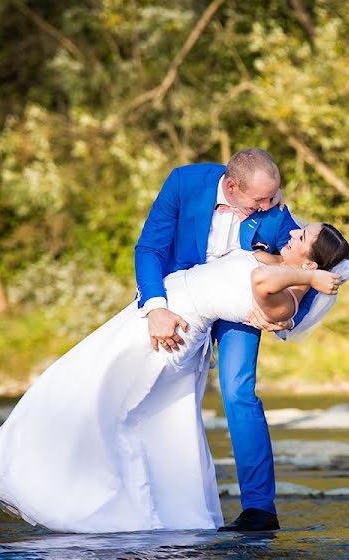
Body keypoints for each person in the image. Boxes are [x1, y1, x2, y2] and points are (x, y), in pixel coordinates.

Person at [0, 223, 349, 534]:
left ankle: (79, 500)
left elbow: (259, 283)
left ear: (310, 267)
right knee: (77, 387)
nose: (291, 232)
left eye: (301, 237)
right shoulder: (275, 255)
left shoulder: (285, 298)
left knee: (103, 405)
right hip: (153, 314)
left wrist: (311, 280)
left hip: (171, 334)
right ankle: (128, 506)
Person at [134, 148, 315, 532]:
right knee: (154, 393)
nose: (271, 206)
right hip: (181, 301)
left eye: (274, 195)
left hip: (241, 305)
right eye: (261, 200)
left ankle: (260, 510)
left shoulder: (273, 208)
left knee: (239, 392)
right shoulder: (185, 183)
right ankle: (151, 500)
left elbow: (314, 262)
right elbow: (150, 247)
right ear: (231, 186)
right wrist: (155, 308)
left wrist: (286, 313)